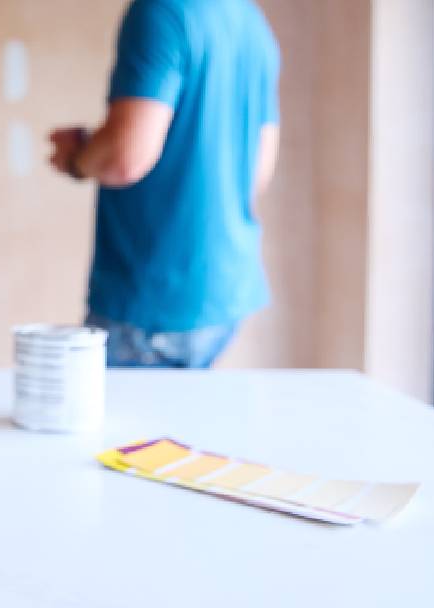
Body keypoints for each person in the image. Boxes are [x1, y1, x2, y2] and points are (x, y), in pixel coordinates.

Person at [48, 0, 280, 368]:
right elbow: (259, 172)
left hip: (154, 298)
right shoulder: (251, 21)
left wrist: (77, 158)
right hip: (226, 291)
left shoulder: (160, 11)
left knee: (116, 422)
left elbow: (125, 158)